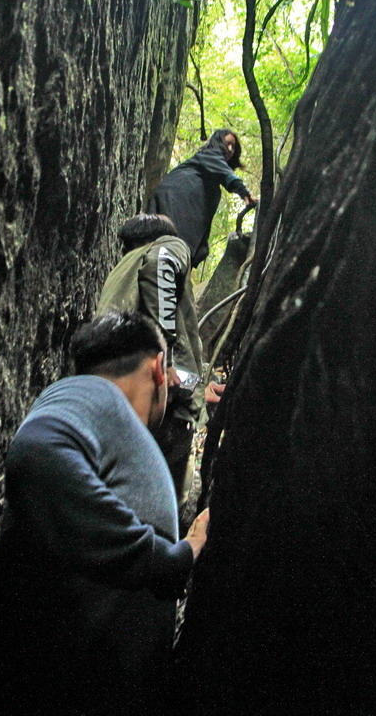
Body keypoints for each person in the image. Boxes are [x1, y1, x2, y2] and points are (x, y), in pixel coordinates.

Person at [0, 311, 209, 716]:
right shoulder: (90, 394)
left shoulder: (99, 409)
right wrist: (172, 558)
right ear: (159, 367)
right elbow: (38, 451)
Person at [96, 214, 212, 515]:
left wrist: (199, 385)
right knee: (164, 507)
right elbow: (162, 264)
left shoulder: (123, 269)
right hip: (160, 398)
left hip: (116, 395)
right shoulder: (168, 246)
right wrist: (167, 360)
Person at [149, 128, 257, 267]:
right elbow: (227, 175)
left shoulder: (212, 173)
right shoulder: (209, 155)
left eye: (233, 147)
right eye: (227, 144)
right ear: (217, 143)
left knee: (176, 249)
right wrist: (246, 194)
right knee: (171, 247)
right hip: (174, 200)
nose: (230, 149)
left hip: (176, 203)